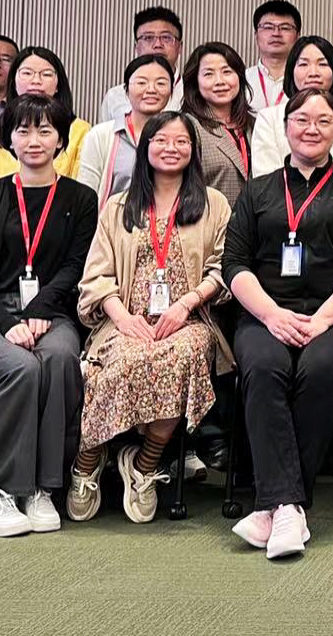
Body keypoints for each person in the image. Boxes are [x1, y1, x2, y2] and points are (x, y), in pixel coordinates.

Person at [223, 89, 333, 559]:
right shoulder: (258, 190)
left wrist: (322, 320)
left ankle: (274, 506)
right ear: (285, 126)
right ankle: (289, 507)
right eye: (301, 119)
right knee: (263, 367)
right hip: (266, 315)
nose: (311, 129)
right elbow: (235, 264)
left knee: (320, 369)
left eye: (322, 121)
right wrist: (272, 315)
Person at [68, 111, 231, 524]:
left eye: (181, 141)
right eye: (161, 140)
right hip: (126, 319)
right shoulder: (119, 207)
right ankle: (87, 463)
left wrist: (186, 303)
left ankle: (144, 465)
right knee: (121, 362)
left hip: (187, 322)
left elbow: (223, 268)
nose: (171, 148)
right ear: (146, 148)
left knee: (183, 357)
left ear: (193, 150)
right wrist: (123, 318)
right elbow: (95, 277)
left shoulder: (213, 204)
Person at [0, 95, 98, 537]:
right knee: (21, 368)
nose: (34, 140)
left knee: (59, 360)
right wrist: (8, 321)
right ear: (8, 139)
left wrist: (39, 308)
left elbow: (76, 265)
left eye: (45, 130)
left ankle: (41, 488)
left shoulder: (81, 199)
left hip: (50, 313)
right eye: (24, 130)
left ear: (61, 140)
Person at [0, 46, 92, 182]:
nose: (36, 81)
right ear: (14, 82)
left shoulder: (81, 131)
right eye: (27, 73)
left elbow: (82, 187)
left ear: (58, 85)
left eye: (46, 74)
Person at [78, 54, 174, 200]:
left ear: (171, 91)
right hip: (111, 215)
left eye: (161, 83)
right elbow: (86, 192)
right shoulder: (100, 135)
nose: (151, 89)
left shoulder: (179, 137)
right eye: (141, 83)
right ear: (126, 90)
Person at [251, 35, 333, 177]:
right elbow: (264, 178)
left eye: (322, 64)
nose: (313, 73)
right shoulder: (269, 118)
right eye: (303, 64)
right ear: (291, 71)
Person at [182, 41, 255, 204]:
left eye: (227, 72)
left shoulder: (254, 124)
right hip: (209, 218)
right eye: (209, 74)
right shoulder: (188, 127)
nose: (220, 81)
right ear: (195, 82)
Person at [100, 7, 185, 121]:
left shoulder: (193, 95)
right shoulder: (115, 96)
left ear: (180, 47)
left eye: (166, 37)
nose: (157, 44)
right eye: (148, 38)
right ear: (136, 47)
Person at [248, 0, 302, 109]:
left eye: (285, 28)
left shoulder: (306, 81)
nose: (276, 33)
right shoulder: (242, 80)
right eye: (268, 27)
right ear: (256, 35)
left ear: (298, 36)